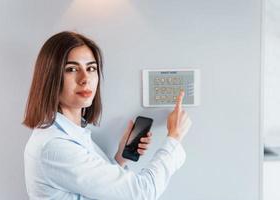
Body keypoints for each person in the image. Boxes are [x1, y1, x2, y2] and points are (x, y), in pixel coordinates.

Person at [23, 31, 192, 200]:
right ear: (51, 77)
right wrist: (174, 139)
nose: (85, 78)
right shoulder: (55, 146)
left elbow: (94, 190)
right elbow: (142, 193)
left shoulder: (73, 132)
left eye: (91, 68)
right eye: (72, 69)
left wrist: (120, 158)